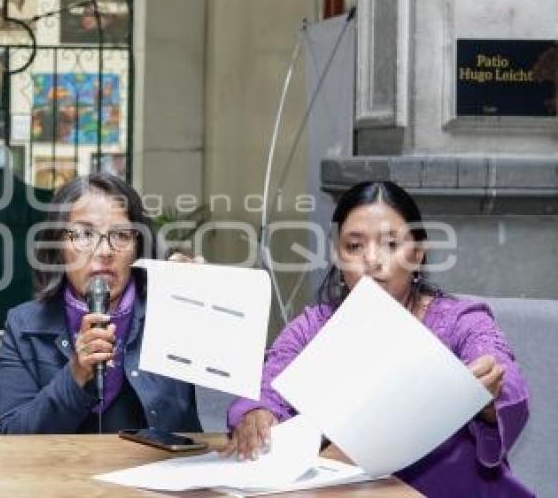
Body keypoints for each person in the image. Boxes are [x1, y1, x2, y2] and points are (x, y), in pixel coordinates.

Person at [224, 180, 532, 497]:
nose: (371, 260)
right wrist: (257, 414)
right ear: (338, 256)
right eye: (354, 246)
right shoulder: (313, 327)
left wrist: (487, 395)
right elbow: (266, 385)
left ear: (418, 254)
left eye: (390, 244)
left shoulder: (460, 321)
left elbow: (505, 378)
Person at [0, 173, 202, 434]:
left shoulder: (169, 312)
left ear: (138, 246)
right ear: (58, 245)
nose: (104, 251)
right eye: (85, 234)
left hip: (153, 460)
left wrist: (205, 302)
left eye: (121, 235)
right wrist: (75, 374)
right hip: (61, 462)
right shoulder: (24, 325)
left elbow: (237, 377)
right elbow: (8, 435)